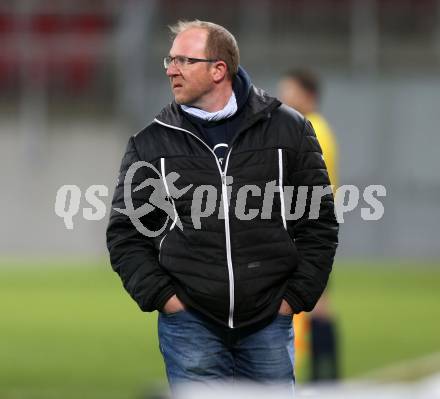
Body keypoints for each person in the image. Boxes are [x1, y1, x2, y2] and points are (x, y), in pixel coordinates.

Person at [106, 20, 339, 391]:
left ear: (219, 70)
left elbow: (319, 222)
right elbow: (126, 233)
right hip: (189, 324)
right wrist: (164, 298)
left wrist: (293, 298)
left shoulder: (290, 129)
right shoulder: (150, 143)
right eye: (169, 59)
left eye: (184, 60)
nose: (170, 69)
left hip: (269, 321)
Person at [278, 69, 339, 381]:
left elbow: (309, 188)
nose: (284, 96)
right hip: (311, 229)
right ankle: (325, 375)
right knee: (320, 303)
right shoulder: (314, 128)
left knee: (304, 304)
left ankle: (320, 375)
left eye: (289, 90)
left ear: (308, 95)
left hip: (304, 231)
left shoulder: (311, 129)